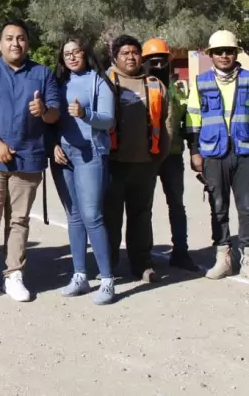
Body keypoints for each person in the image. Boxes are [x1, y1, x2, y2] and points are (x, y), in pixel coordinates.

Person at [0, 20, 60, 302]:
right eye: (9, 38)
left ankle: (14, 275)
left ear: (27, 44)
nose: (15, 43)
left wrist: (43, 110)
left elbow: (55, 114)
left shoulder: (42, 74)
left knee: (18, 221)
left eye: (20, 38)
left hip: (28, 160)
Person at [185, 30, 249, 284]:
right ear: (210, 55)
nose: (224, 55)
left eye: (229, 51)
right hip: (213, 153)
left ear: (236, 53)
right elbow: (192, 120)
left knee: (247, 208)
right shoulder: (200, 82)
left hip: (244, 152)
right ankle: (223, 257)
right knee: (218, 208)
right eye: (219, 51)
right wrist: (195, 151)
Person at [50, 37, 117, 305]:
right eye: (67, 53)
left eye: (77, 51)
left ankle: (107, 279)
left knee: (92, 215)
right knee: (74, 216)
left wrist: (85, 114)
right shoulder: (58, 83)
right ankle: (80, 275)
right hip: (64, 155)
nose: (72, 56)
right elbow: (51, 120)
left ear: (85, 54)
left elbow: (109, 119)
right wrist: (53, 144)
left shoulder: (97, 81)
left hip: (91, 154)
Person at [104, 35, 175, 283]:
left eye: (135, 52)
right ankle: (108, 264)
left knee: (141, 216)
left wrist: (158, 158)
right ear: (115, 57)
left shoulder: (156, 85)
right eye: (125, 53)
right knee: (110, 217)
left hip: (145, 165)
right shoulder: (105, 82)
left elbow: (167, 123)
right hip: (113, 164)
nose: (131, 57)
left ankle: (142, 263)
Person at [141, 38, 199, 272]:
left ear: (169, 60)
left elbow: (187, 122)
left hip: (173, 156)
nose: (157, 64)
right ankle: (143, 255)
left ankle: (181, 252)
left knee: (176, 205)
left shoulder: (177, 89)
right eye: (152, 61)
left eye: (161, 60)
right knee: (144, 208)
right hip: (145, 158)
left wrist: (195, 151)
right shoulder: (140, 87)